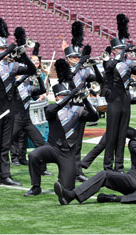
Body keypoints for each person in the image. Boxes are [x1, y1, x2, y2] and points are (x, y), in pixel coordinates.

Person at [53, 113, 136, 205]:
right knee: (105, 174)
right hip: (132, 180)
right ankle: (70, 195)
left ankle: (114, 198)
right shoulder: (135, 142)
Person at [24, 59, 99, 196]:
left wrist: (86, 100)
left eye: (67, 94)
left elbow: (95, 117)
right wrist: (70, 94)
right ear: (57, 97)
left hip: (68, 152)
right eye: (63, 95)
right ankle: (36, 187)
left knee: (67, 188)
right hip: (52, 148)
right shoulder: (51, 108)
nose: (66, 97)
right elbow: (53, 111)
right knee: (34, 155)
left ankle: (62, 181)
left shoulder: (78, 109)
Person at [0, 18, 36, 187]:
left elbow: (31, 70)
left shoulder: (13, 67)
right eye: (0, 49)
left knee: (6, 143)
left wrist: (23, 56)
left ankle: (5, 174)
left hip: (9, 108)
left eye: (4, 48)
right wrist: (6, 53)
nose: (3, 51)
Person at [103, 14, 136, 172]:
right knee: (112, 134)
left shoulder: (129, 63)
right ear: (114, 50)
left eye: (124, 48)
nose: (123, 51)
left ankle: (119, 166)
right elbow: (108, 68)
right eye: (120, 49)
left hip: (125, 99)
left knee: (122, 134)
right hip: (114, 99)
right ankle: (108, 165)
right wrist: (122, 54)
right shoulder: (109, 60)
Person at [64, 21, 104, 182]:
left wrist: (94, 66)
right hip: (66, 108)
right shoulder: (64, 68)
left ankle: (77, 170)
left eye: (78, 56)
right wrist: (80, 63)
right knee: (68, 141)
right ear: (67, 58)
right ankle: (66, 169)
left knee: (78, 141)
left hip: (81, 107)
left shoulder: (85, 71)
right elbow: (69, 80)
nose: (76, 59)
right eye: (74, 57)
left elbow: (100, 81)